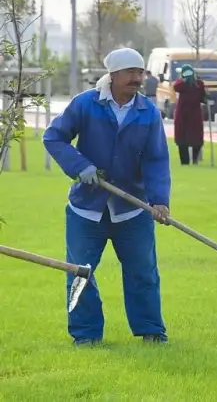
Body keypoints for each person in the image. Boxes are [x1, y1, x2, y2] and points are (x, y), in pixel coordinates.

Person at [43, 48, 172, 346]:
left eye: (140, 72)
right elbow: (54, 137)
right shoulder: (86, 104)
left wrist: (159, 199)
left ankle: (151, 330)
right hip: (86, 209)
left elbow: (155, 159)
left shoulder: (147, 112)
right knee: (80, 274)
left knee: (143, 271)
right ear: (112, 75)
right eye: (130, 72)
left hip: (131, 208)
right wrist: (80, 167)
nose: (137, 78)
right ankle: (85, 335)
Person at [172, 64, 206, 165]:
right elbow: (176, 87)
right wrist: (185, 81)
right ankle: (185, 161)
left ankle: (194, 160)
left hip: (194, 114)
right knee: (182, 138)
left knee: (196, 137)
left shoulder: (199, 84)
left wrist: (206, 99)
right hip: (183, 114)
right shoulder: (180, 84)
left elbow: (202, 96)